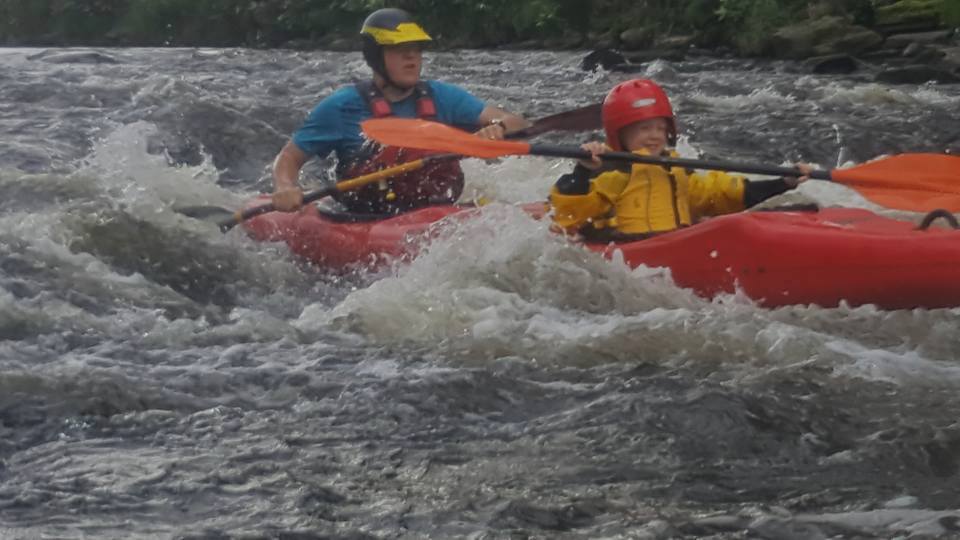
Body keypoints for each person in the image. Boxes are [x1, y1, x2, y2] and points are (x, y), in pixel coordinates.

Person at [271, 8, 529, 214]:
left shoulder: (443, 96)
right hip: (365, 216)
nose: (411, 58)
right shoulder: (341, 106)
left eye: (416, 49)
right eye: (399, 50)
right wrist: (284, 186)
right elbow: (290, 157)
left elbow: (516, 122)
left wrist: (499, 127)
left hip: (434, 211)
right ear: (375, 56)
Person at [550, 78, 812, 241]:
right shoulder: (609, 172)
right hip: (629, 248)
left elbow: (719, 195)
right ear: (620, 134)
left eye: (660, 128)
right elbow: (570, 216)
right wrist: (583, 171)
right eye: (644, 128)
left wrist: (782, 183)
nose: (655, 136)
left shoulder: (676, 171)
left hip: (675, 242)